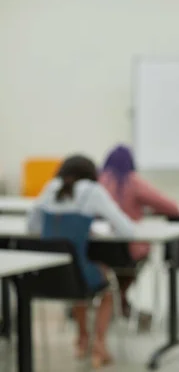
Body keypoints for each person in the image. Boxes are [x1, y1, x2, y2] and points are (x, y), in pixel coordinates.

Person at [27, 155, 135, 368]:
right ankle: (99, 345)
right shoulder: (92, 191)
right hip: (78, 272)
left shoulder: (50, 187)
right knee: (106, 281)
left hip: (47, 274)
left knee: (76, 282)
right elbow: (127, 229)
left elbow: (32, 227)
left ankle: (82, 339)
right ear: (91, 174)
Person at [97, 144, 179, 316]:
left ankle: (115, 301)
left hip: (97, 250)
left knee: (110, 265)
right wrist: (147, 210)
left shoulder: (97, 182)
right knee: (139, 254)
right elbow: (172, 207)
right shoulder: (132, 181)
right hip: (126, 250)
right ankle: (119, 298)